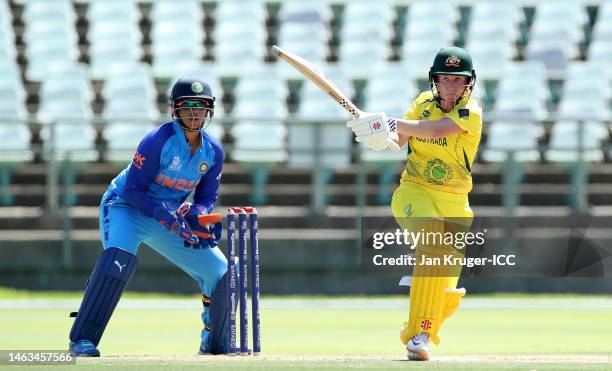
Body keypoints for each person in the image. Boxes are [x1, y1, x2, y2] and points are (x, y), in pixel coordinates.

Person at [68, 78, 231, 357]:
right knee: (118, 260)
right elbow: (132, 190)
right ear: (174, 110)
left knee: (219, 270)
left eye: (200, 107)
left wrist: (197, 213)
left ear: (210, 111)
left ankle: (213, 340)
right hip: (126, 207)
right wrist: (166, 217)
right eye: (187, 106)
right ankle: (82, 339)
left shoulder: (213, 151)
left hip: (166, 216)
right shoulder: (157, 141)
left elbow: (205, 197)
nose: (194, 113)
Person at [347, 46, 482, 361]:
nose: (451, 86)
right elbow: (399, 141)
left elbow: (436, 130)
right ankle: (417, 338)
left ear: (468, 84)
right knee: (434, 241)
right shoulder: (421, 104)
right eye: (445, 79)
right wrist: (376, 136)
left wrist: (388, 122)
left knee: (448, 292)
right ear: (435, 79)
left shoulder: (470, 113)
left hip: (456, 202)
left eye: (458, 80)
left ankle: (421, 328)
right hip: (414, 192)